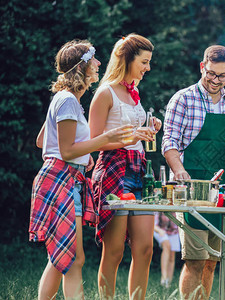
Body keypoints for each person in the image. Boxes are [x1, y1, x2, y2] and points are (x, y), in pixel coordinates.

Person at [29, 40, 131, 299]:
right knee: (73, 257)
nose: (99, 64)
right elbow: (66, 151)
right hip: (60, 179)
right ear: (82, 67)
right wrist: (101, 141)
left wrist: (86, 154)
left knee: (61, 256)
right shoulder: (67, 101)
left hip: (66, 178)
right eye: (94, 60)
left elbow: (43, 140)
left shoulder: (66, 100)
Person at [162, 45, 225, 299]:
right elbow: (169, 142)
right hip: (190, 188)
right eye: (212, 74)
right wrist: (179, 170)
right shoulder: (183, 98)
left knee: (212, 260)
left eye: (222, 76)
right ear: (203, 67)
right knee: (194, 259)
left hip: (220, 190)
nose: (216, 80)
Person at [89, 33, 161, 300]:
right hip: (114, 171)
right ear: (126, 59)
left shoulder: (135, 93)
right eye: (144, 61)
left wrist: (150, 127)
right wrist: (133, 136)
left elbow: (134, 130)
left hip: (139, 171)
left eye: (149, 62)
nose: (148, 67)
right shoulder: (105, 93)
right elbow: (93, 142)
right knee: (115, 251)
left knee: (145, 249)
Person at [153, 212, 181, 288]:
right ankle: (164, 278)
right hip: (159, 229)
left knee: (172, 255)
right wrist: (160, 231)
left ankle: (168, 283)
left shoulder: (177, 207)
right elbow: (153, 224)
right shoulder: (160, 206)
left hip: (173, 232)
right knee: (167, 246)